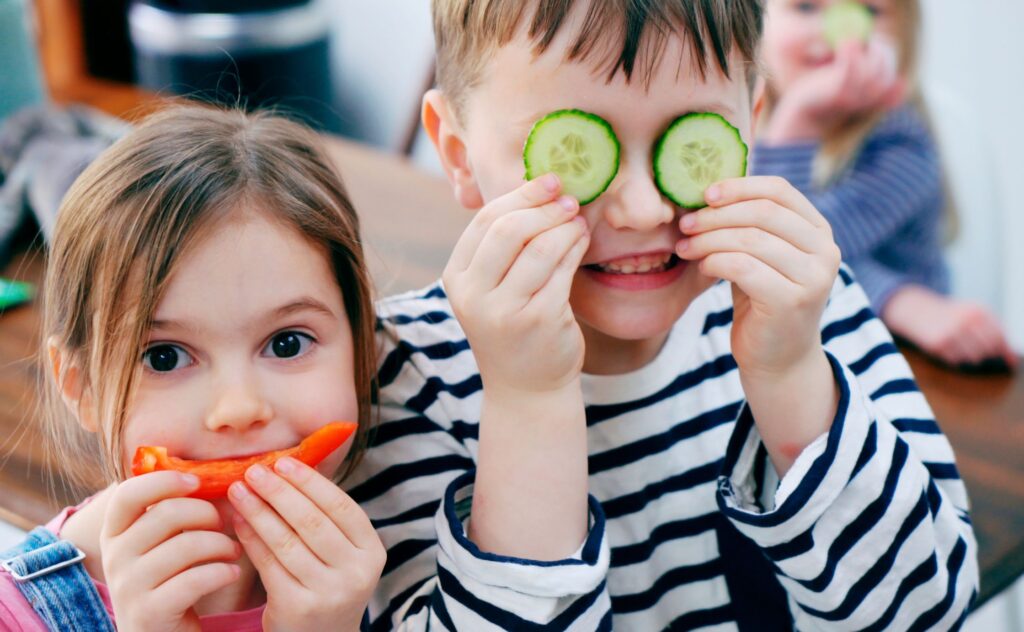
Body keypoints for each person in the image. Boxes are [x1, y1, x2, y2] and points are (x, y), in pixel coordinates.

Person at [347, 0, 979, 629]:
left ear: (749, 127)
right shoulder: (402, 379)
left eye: (692, 137)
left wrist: (789, 375)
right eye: (575, 154)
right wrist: (528, 400)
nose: (643, 209)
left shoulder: (810, 309)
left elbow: (929, 611)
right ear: (457, 154)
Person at [0, 104, 386, 631]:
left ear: (363, 346)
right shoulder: (16, 615)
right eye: (165, 356)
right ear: (80, 387)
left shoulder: (407, 544)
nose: (239, 408)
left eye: (288, 342)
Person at [753, 0, 1016, 370]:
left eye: (870, 11)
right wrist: (897, 298)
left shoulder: (904, 144)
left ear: (905, 37)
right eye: (806, 7)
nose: (835, 31)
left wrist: (798, 122)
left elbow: (790, 248)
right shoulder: (741, 119)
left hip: (890, 362)